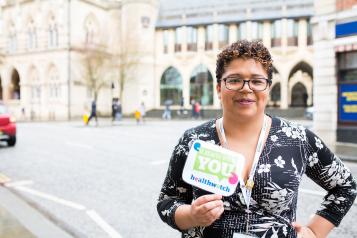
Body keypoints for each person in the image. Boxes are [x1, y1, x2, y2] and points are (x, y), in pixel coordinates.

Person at [157, 40, 356, 238]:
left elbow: (345, 186)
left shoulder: (297, 138)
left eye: (257, 81)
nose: (246, 88)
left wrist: (314, 232)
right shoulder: (193, 140)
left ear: (268, 88)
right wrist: (191, 216)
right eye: (234, 80)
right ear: (218, 88)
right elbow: (167, 201)